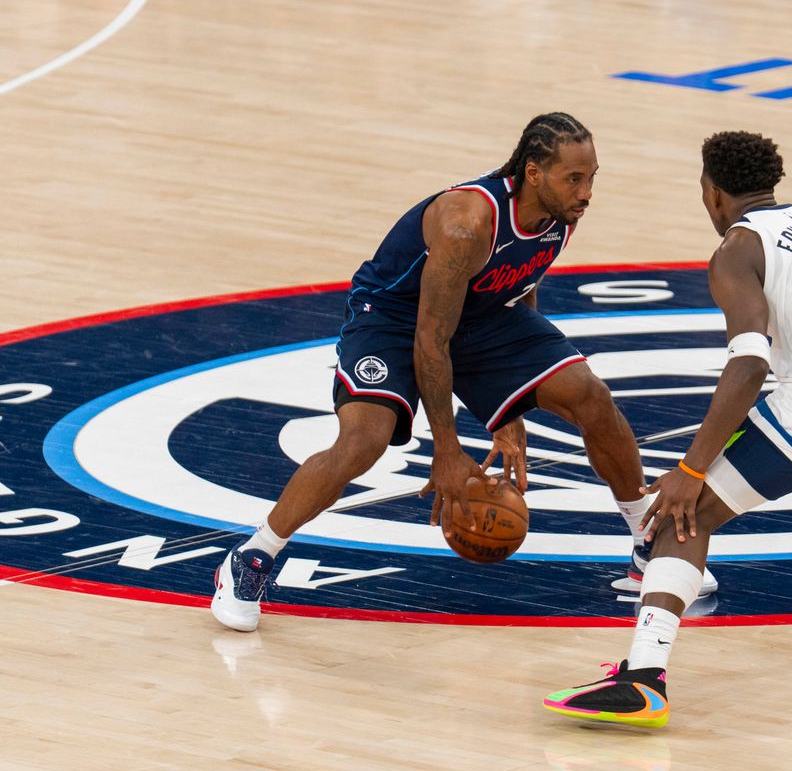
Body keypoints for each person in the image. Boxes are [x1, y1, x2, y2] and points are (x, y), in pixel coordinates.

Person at [210, 112, 715, 632]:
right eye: (574, 178)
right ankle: (251, 558)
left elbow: (520, 285)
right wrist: (447, 451)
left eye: (592, 177)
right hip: (393, 319)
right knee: (363, 442)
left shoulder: (560, 214)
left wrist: (513, 402)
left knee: (589, 395)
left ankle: (643, 542)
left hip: (482, 316)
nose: (586, 192)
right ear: (534, 173)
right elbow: (431, 339)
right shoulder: (466, 223)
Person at [543, 131, 792, 728]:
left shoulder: (736, 248)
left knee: (689, 512)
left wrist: (690, 468)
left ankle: (644, 678)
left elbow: (749, 362)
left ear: (713, 192)